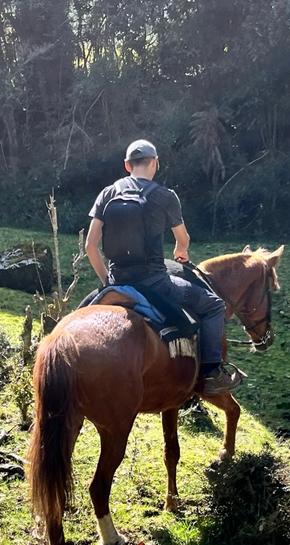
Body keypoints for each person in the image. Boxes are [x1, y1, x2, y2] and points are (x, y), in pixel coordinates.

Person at [85, 139, 243, 396]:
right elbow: (183, 240)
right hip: (155, 283)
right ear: (155, 164)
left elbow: (91, 246)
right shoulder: (166, 197)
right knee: (214, 305)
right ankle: (212, 373)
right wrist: (180, 252)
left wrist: (108, 283)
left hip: (117, 280)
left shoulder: (107, 193)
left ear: (127, 165)